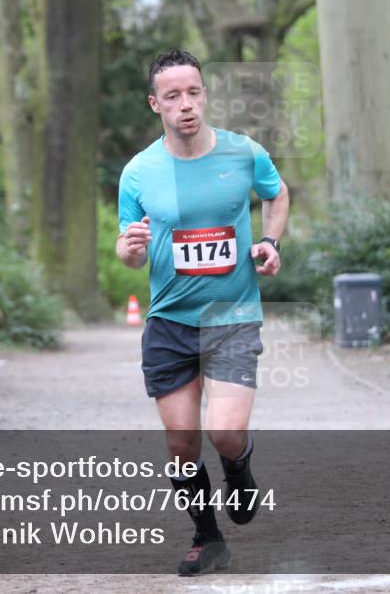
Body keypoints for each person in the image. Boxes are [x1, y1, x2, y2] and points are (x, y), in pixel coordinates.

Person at [115, 49, 289, 576]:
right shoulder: (139, 171)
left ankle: (238, 470)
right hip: (168, 321)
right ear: (155, 104)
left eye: (193, 92)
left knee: (226, 433)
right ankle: (206, 537)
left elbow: (277, 195)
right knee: (181, 443)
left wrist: (268, 241)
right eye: (173, 96)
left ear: (204, 95)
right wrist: (132, 247)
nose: (186, 104)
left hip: (231, 315)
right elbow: (125, 250)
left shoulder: (243, 153)